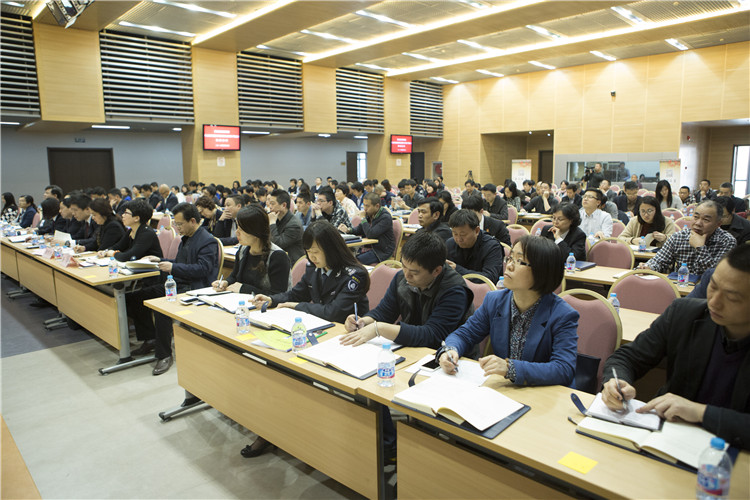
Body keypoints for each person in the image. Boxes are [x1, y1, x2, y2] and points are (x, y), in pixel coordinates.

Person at [601, 244, 750, 450]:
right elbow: (627, 357)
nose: (714, 302)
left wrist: (701, 412)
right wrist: (617, 382)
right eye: (713, 286)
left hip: (734, 451)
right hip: (669, 438)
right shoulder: (685, 314)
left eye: (732, 297)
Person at [438, 235, 578, 386]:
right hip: (506, 388)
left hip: (545, 393)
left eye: (519, 261)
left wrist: (510, 368)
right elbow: (465, 334)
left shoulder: (562, 314)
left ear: (542, 271)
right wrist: (450, 350)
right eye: (510, 258)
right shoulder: (494, 300)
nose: (509, 266)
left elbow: (563, 369)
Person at [340, 230, 473, 349]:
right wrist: (363, 322)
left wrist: (379, 328)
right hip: (411, 349)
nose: (406, 275)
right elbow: (384, 312)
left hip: (446, 357)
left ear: (436, 271)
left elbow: (432, 336)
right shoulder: (401, 277)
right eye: (404, 266)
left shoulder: (454, 291)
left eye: (414, 272)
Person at [127, 202, 219, 374]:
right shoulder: (187, 238)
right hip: (179, 284)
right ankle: (150, 339)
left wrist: (173, 267)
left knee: (162, 307)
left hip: (195, 288)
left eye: (180, 224)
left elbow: (203, 269)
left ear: (192, 221)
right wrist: (161, 260)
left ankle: (164, 355)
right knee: (137, 297)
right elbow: (181, 263)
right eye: (176, 224)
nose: (177, 228)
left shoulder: (207, 241)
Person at [253, 220, 370, 324]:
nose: (311, 257)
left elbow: (333, 312)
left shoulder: (354, 275)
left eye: (315, 252)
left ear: (332, 249)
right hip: (322, 325)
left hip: (349, 331)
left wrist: (297, 306)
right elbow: (296, 295)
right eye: (308, 251)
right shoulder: (313, 268)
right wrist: (272, 300)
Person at [640, 200, 736, 275]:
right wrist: (648, 267)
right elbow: (659, 260)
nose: (698, 223)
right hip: (680, 288)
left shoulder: (727, 241)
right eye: (696, 217)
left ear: (718, 224)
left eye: (706, 220)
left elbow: (716, 275)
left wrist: (700, 248)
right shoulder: (679, 237)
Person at [213, 205, 291, 296]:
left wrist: (244, 289)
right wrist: (226, 283)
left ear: (255, 232)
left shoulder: (277, 256)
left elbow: (278, 295)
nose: (236, 232)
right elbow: (234, 276)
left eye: (241, 229)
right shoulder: (243, 250)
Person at [445, 209, 503, 283]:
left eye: (463, 234)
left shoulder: (492, 246)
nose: (459, 239)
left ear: (476, 231)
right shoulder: (450, 243)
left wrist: (457, 269)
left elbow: (490, 278)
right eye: (455, 234)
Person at [340, 193, 395, 265]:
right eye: (364, 205)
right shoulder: (369, 214)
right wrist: (348, 230)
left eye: (367, 206)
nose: (365, 208)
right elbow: (359, 230)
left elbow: (370, 234)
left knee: (355, 261)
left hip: (380, 251)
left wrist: (363, 218)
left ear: (377, 206)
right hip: (367, 247)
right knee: (345, 256)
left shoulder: (385, 217)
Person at [267, 189, 304, 264]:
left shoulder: (294, 225)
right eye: (269, 204)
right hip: (278, 258)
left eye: (273, 204)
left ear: (284, 205)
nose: (270, 207)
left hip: (291, 262)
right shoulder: (276, 218)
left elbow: (278, 244)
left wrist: (272, 224)